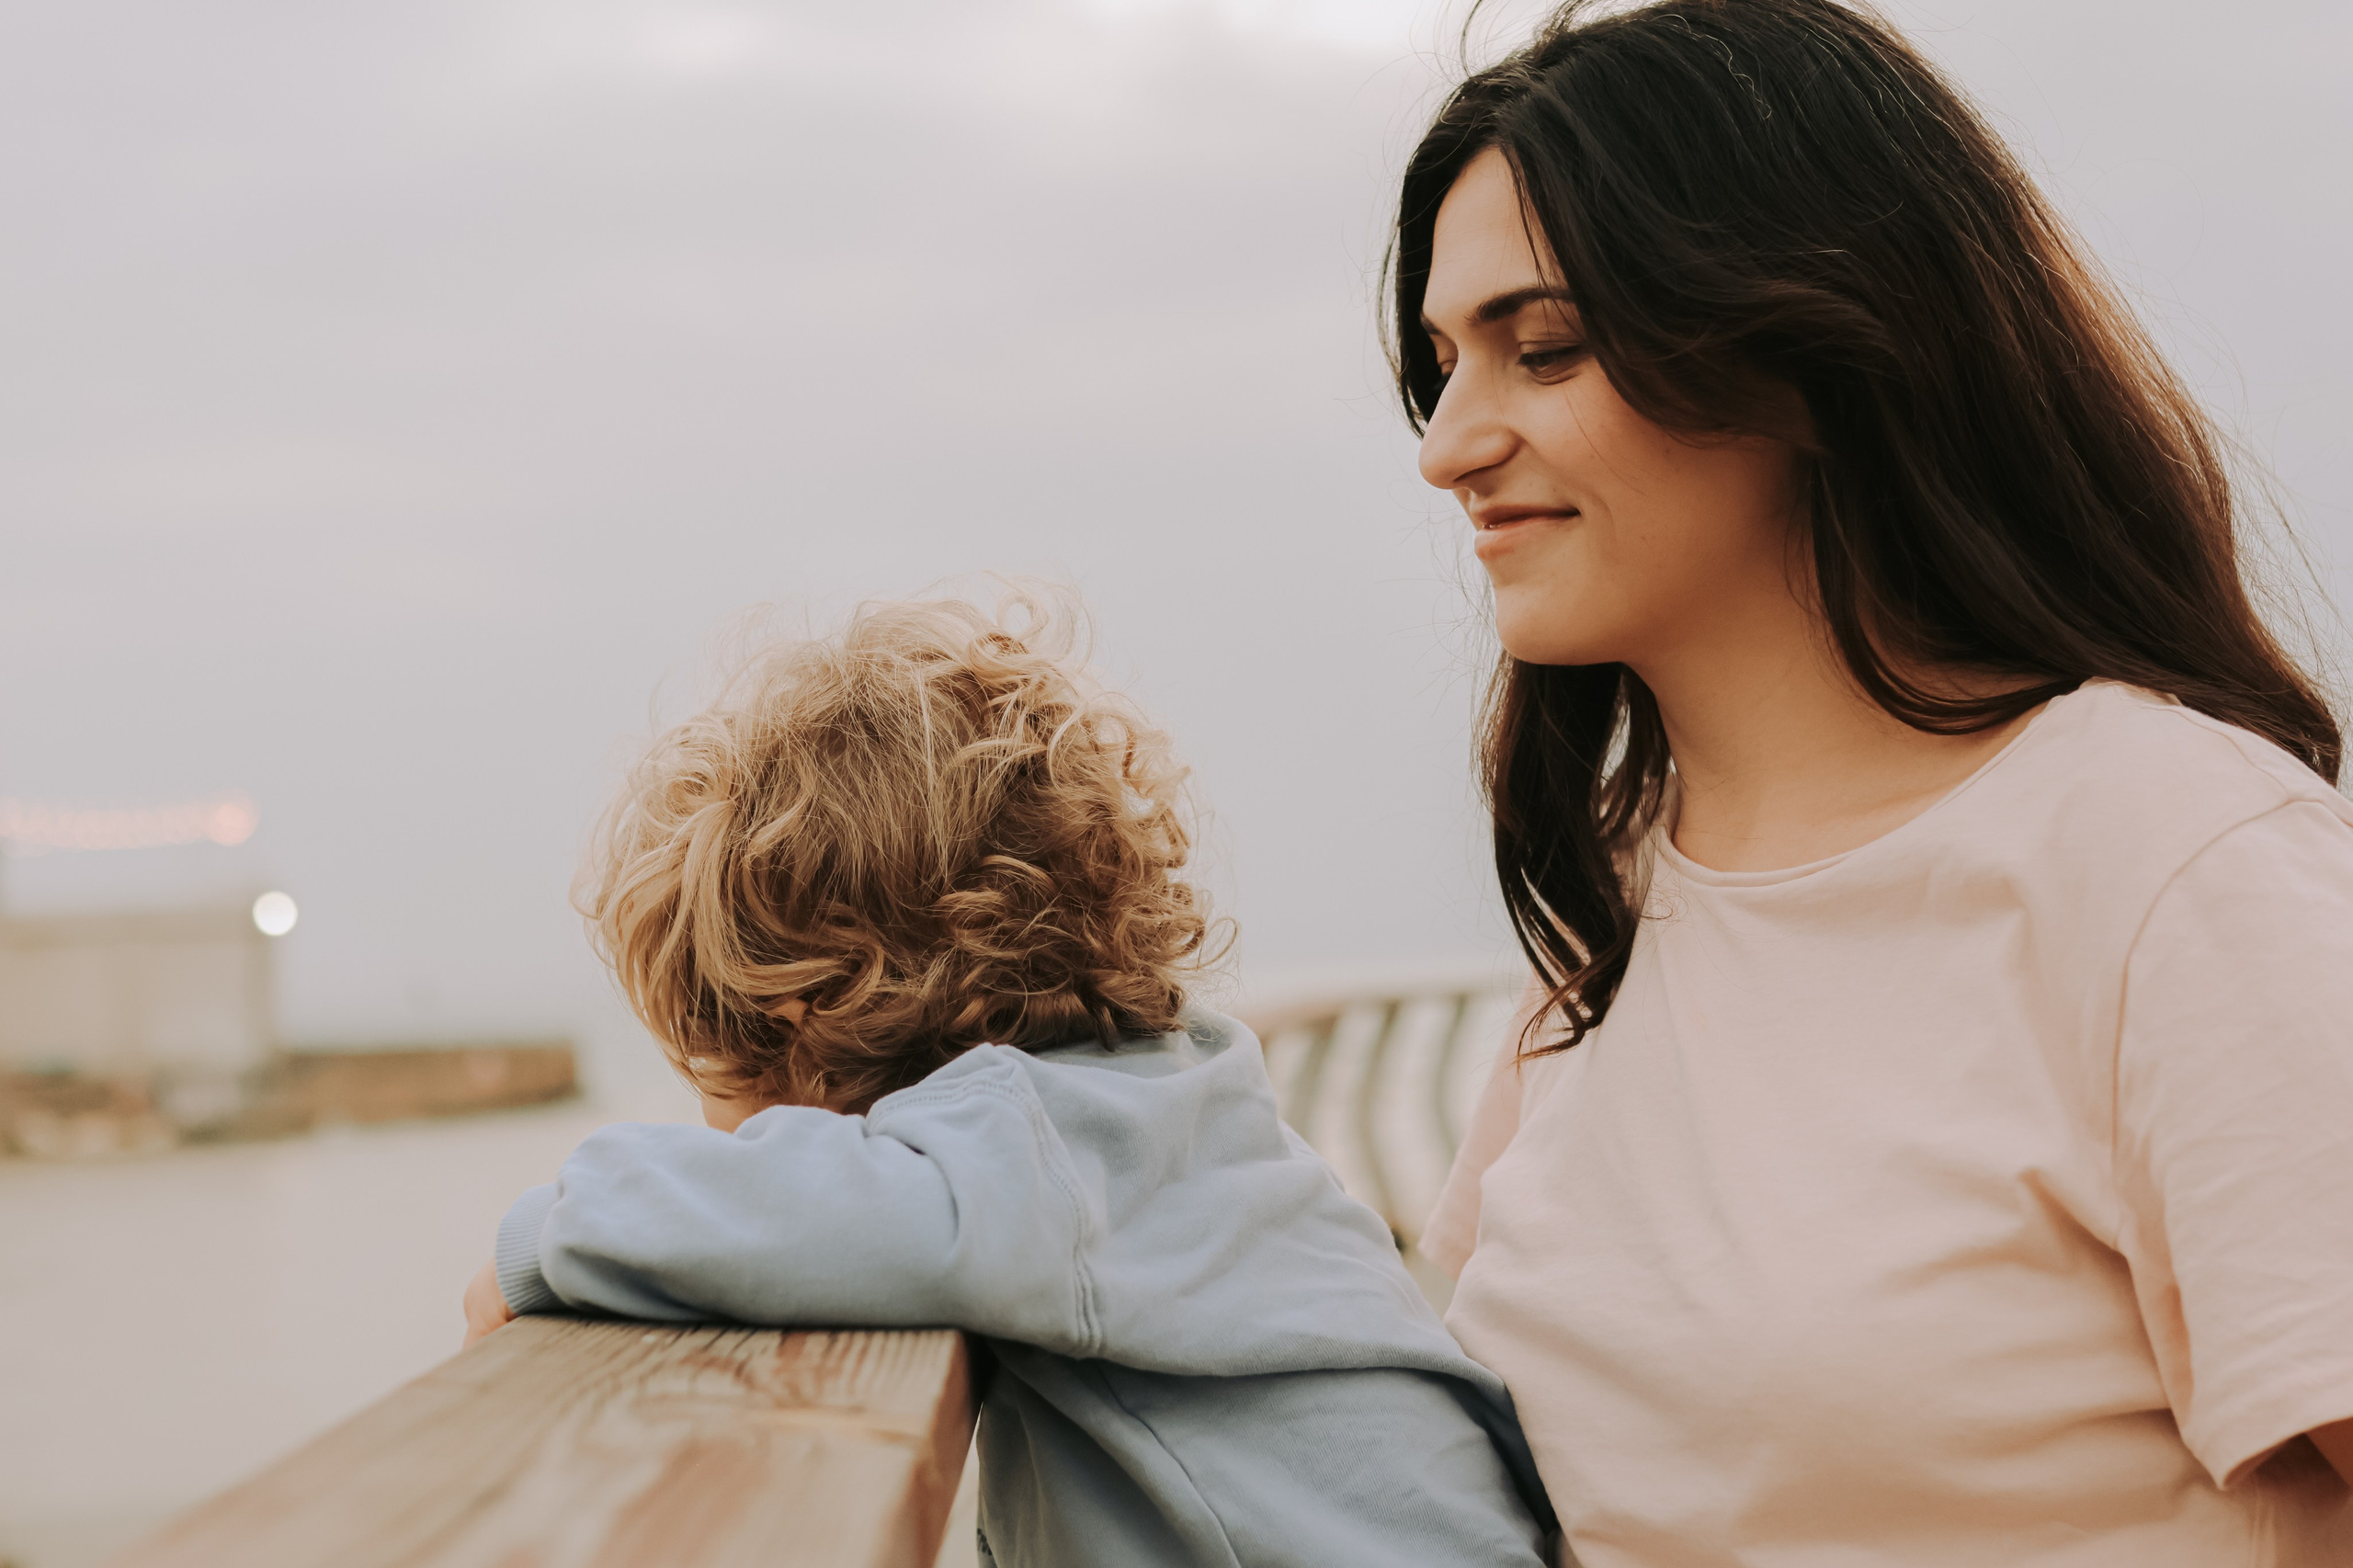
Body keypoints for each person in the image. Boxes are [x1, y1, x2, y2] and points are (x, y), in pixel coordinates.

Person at [1396, 1, 2353, 1562]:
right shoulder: (1609, 906)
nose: (1449, 446)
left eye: (1544, 347)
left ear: (1812, 350)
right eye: (1441, 365)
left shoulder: (2178, 865)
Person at [458, 590, 1557, 1568]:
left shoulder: (1036, 1145)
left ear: (798, 1020)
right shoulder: (1150, 1098)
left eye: (716, 1062)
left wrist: (544, 1237)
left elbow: (830, 1214)